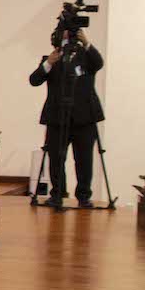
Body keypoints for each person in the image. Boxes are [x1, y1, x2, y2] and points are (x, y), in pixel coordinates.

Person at [32, 27, 104, 210]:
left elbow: (99, 63)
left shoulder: (86, 56)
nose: (68, 34)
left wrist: (86, 43)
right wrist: (48, 62)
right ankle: (57, 194)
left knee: (84, 159)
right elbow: (34, 80)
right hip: (57, 118)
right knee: (56, 159)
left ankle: (84, 197)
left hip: (84, 118)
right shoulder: (52, 58)